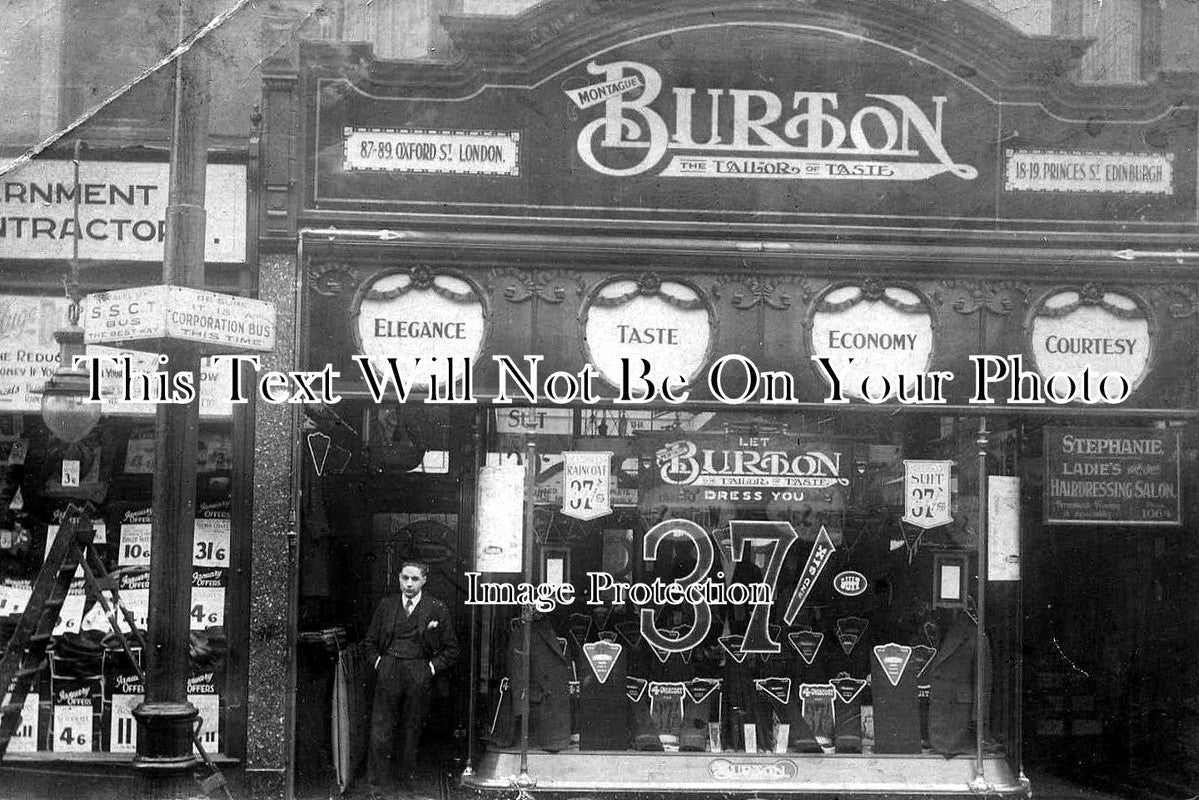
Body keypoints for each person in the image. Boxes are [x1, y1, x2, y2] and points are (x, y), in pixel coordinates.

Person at [363, 560, 459, 795]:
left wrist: (429, 669)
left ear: (424, 580)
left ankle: (407, 788)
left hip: (419, 672)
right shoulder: (387, 606)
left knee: (411, 730)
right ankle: (378, 788)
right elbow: (369, 643)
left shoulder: (436, 608)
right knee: (381, 730)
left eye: (415, 579)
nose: (409, 584)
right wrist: (380, 663)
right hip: (390, 670)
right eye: (405, 578)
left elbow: (452, 649)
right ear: (398, 578)